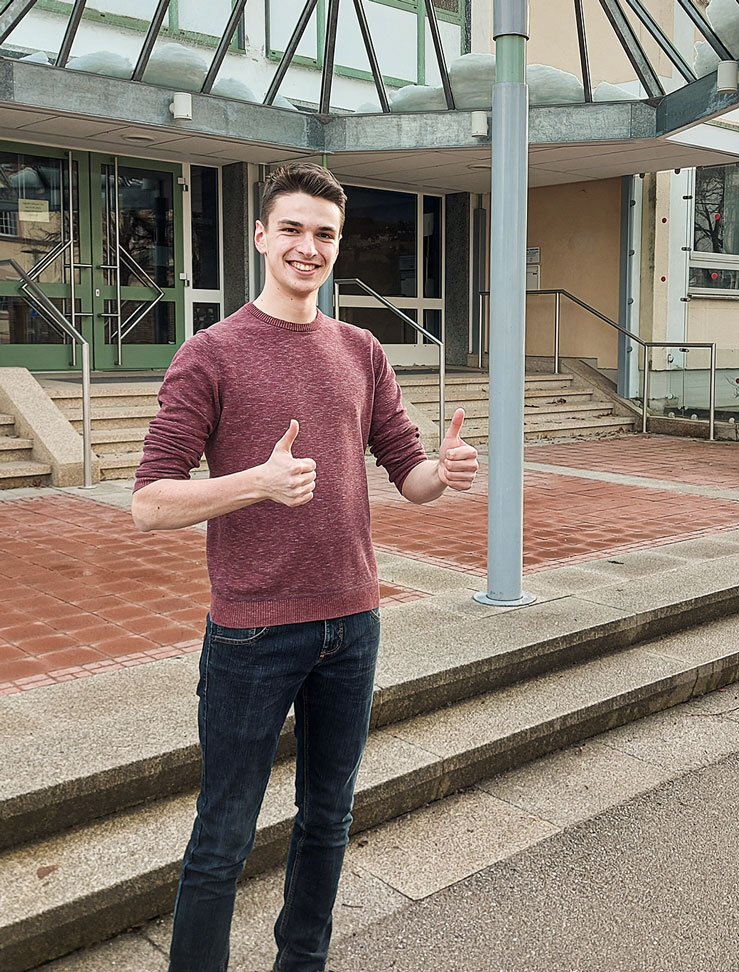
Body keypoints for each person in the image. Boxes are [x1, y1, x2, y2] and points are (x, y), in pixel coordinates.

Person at [131, 161, 479, 972]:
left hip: (353, 624)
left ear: (337, 243)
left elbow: (409, 475)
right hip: (253, 635)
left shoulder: (360, 350)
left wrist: (446, 472)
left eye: (323, 233)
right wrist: (255, 481)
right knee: (225, 833)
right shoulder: (210, 354)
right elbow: (149, 502)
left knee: (329, 819)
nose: (307, 246)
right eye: (290, 228)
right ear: (259, 236)